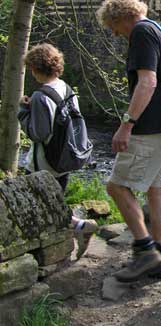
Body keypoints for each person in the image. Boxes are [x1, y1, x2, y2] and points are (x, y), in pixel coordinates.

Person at [96, 0, 161, 282]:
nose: (115, 33)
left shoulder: (142, 33)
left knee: (117, 187)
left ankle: (146, 252)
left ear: (122, 17)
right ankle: (158, 254)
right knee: (156, 189)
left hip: (148, 128)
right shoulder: (159, 30)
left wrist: (127, 124)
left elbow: (148, 82)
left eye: (113, 26)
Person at [18, 43, 98, 259]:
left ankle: (63, 241)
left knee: (33, 208)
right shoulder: (66, 88)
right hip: (64, 158)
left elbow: (38, 134)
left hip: (44, 164)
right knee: (53, 205)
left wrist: (23, 111)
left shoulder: (40, 97)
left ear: (35, 69)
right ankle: (77, 230)